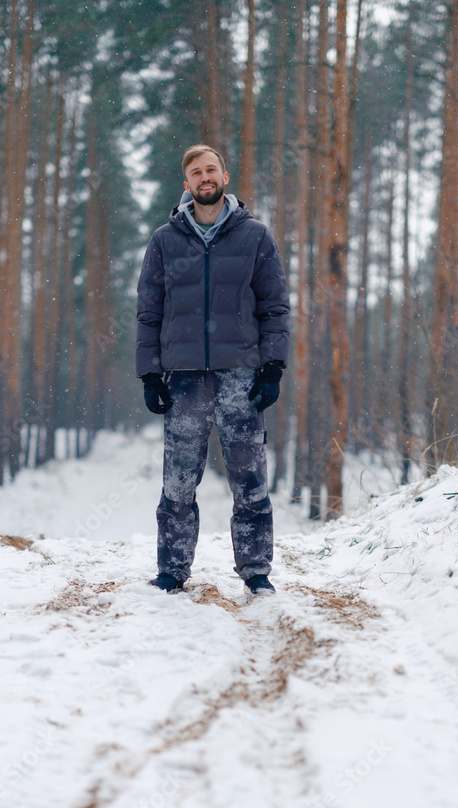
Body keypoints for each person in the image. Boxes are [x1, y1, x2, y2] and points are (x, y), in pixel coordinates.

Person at [136, 144, 290, 596]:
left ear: (225, 175)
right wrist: (150, 374)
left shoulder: (255, 236)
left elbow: (275, 306)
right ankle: (172, 571)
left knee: (250, 480)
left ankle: (256, 570)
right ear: (186, 185)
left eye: (211, 170)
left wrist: (273, 366)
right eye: (195, 173)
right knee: (179, 483)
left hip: (240, 375)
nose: (205, 178)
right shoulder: (165, 240)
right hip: (183, 379)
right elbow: (149, 312)